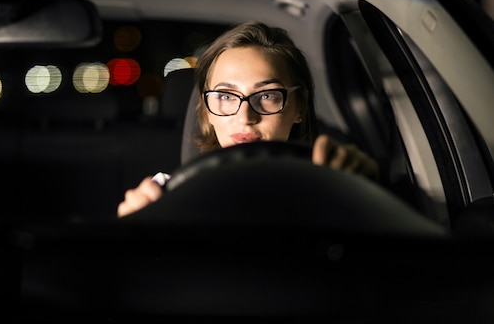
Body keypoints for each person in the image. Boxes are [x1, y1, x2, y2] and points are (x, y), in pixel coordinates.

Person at [117, 21, 379, 218]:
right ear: (207, 110)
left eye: (266, 96)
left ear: (299, 106)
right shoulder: (166, 196)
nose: (245, 117)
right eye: (226, 96)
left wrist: (366, 194)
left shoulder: (336, 185)